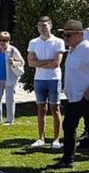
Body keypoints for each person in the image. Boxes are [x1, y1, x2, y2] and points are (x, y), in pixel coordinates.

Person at [49, 20, 89, 172]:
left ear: (79, 35)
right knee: (68, 127)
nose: (65, 38)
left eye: (68, 35)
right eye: (64, 35)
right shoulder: (73, 49)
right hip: (73, 97)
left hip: (88, 97)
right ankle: (67, 160)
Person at [27, 17, 65, 149]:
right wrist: (46, 61)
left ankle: (56, 139)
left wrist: (40, 62)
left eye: (44, 25)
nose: (42, 28)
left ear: (50, 26)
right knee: (41, 109)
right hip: (39, 79)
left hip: (54, 79)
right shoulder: (33, 42)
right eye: (39, 26)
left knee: (55, 108)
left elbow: (56, 63)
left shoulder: (58, 42)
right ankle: (41, 138)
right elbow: (31, 63)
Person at [0, 32, 24, 125]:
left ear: (9, 40)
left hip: (10, 79)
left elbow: (21, 62)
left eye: (4, 40)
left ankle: (10, 120)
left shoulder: (13, 50)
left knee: (10, 100)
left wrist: (13, 62)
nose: (2, 42)